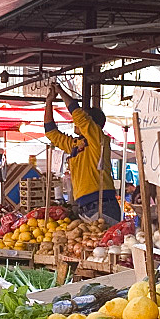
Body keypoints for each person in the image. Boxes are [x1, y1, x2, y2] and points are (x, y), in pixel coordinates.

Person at [44, 81, 121, 223]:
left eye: (81, 121)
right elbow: (51, 132)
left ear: (92, 124)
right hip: (84, 206)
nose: (75, 122)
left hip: (102, 204)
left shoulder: (99, 139)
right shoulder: (75, 144)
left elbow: (79, 115)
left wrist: (60, 91)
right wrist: (48, 102)